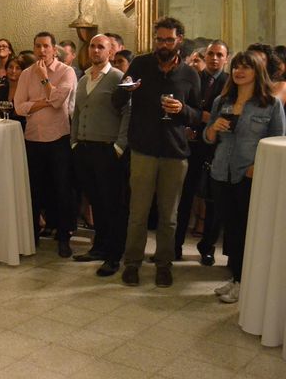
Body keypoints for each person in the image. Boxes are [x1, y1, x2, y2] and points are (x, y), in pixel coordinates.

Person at [113, 17, 201, 287]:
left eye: (169, 40)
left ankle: (164, 264)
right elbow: (117, 100)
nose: (163, 44)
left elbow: (198, 115)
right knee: (138, 214)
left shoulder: (190, 74)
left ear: (179, 40)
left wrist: (183, 110)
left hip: (175, 153)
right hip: (143, 150)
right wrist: (127, 89)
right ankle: (132, 263)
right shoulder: (140, 65)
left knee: (169, 217)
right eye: (159, 39)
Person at [204, 51, 285, 303]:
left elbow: (278, 141)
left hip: (249, 175)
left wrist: (257, 166)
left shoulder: (270, 104)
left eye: (245, 67)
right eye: (236, 66)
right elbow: (208, 137)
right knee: (231, 231)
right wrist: (213, 128)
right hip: (221, 172)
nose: (239, 71)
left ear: (257, 71)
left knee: (248, 231)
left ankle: (244, 281)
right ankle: (237, 277)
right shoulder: (222, 100)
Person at [70, 35, 130, 276]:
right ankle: (99, 247)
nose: (95, 50)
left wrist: (119, 146)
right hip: (85, 148)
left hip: (107, 149)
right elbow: (77, 111)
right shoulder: (84, 78)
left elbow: (128, 113)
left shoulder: (118, 77)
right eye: (93, 46)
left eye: (101, 47)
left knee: (112, 204)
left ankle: (113, 256)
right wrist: (74, 141)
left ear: (110, 52)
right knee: (96, 202)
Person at [14, 31, 78, 257]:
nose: (41, 50)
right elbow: (19, 107)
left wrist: (43, 78)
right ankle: (32, 235)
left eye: (46, 46)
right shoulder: (25, 74)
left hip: (58, 137)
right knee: (34, 188)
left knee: (61, 189)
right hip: (33, 138)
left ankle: (64, 237)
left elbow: (59, 101)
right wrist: (45, 102)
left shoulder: (66, 71)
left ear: (54, 49)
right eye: (38, 46)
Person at [178, 40, 229, 266]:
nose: (214, 58)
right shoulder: (193, 77)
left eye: (219, 55)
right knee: (184, 197)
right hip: (189, 146)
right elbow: (182, 106)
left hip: (216, 148)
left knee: (213, 201)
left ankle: (207, 248)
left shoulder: (230, 82)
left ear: (226, 59)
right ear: (205, 56)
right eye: (211, 54)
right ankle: (175, 245)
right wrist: (190, 122)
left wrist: (204, 119)